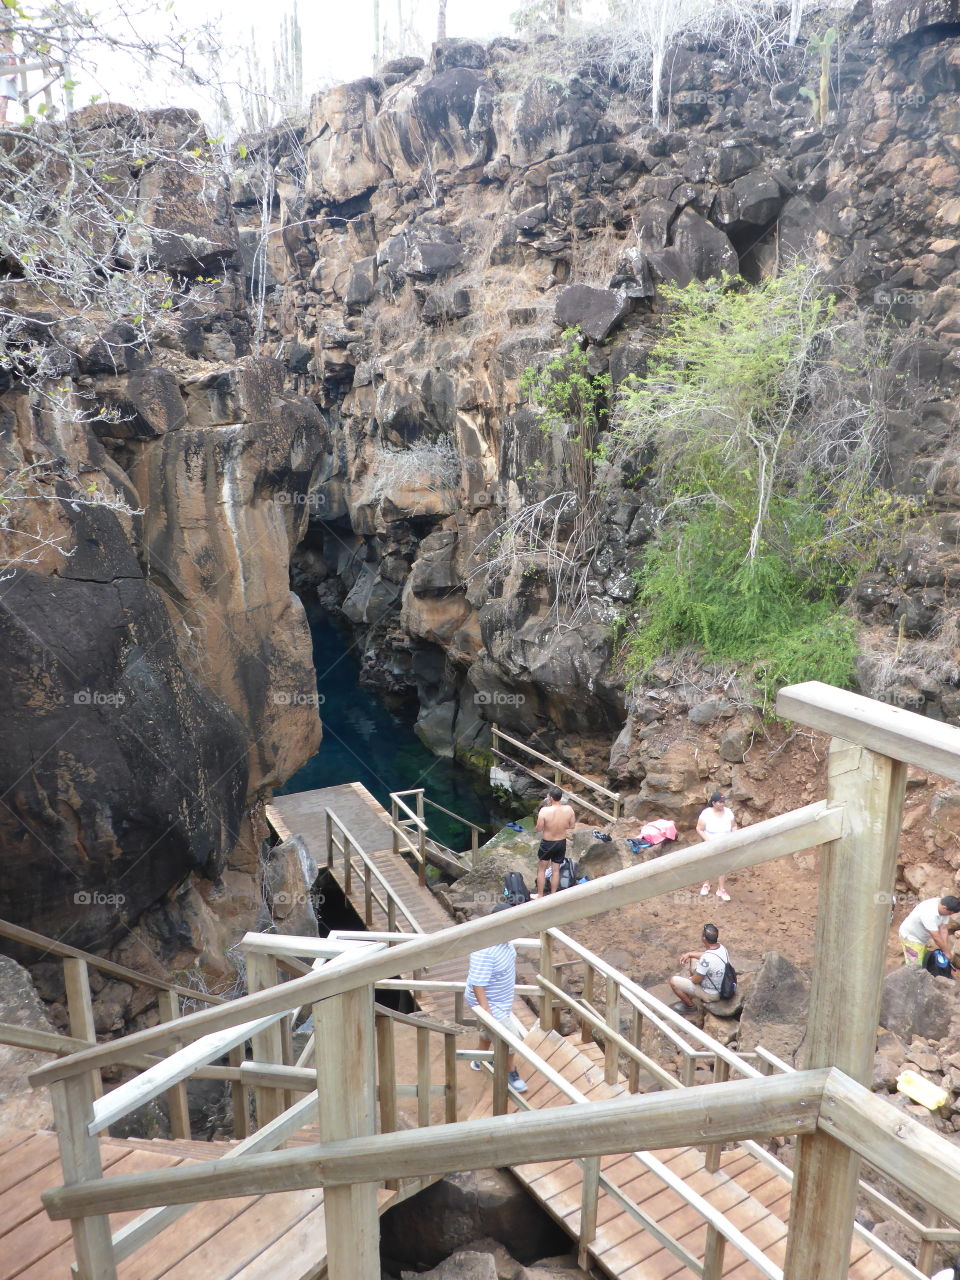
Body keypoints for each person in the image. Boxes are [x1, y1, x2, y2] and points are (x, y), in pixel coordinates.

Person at [465, 903, 527, 1093]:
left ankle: (478, 1060)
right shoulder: (485, 950)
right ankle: (510, 1071)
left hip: (500, 1000)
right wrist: (487, 1012)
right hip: (489, 1002)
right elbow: (478, 984)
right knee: (511, 1039)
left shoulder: (504, 940)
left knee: (487, 1033)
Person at [669, 923, 730, 1013]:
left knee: (673, 981)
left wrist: (689, 979)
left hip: (711, 994)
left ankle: (690, 1007)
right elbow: (708, 956)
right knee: (694, 961)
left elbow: (695, 980)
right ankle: (690, 994)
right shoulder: (721, 948)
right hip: (723, 985)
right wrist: (690, 954)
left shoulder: (706, 959)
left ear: (704, 938)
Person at [898, 894, 960, 968]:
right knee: (915, 967)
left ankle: (907, 962)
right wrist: (946, 952)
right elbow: (936, 936)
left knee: (921, 959)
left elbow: (943, 929)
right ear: (944, 908)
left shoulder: (945, 904)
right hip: (911, 938)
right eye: (950, 913)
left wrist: (945, 949)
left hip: (922, 938)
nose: (950, 915)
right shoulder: (929, 913)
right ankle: (907, 973)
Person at [535, 786, 576, 898]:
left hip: (547, 843)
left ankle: (540, 894)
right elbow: (572, 825)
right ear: (560, 797)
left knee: (542, 869)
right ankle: (553, 895)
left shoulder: (544, 810)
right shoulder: (569, 809)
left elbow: (538, 828)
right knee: (556, 870)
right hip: (561, 842)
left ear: (550, 797)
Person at [697, 791, 737, 902]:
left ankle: (721, 888)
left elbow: (734, 826)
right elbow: (699, 828)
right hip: (710, 843)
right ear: (713, 803)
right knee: (709, 864)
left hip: (725, 844)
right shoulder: (706, 814)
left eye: (723, 802)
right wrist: (708, 841)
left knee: (722, 865)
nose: (722, 804)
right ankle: (706, 883)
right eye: (720, 802)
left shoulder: (728, 813)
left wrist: (735, 836)